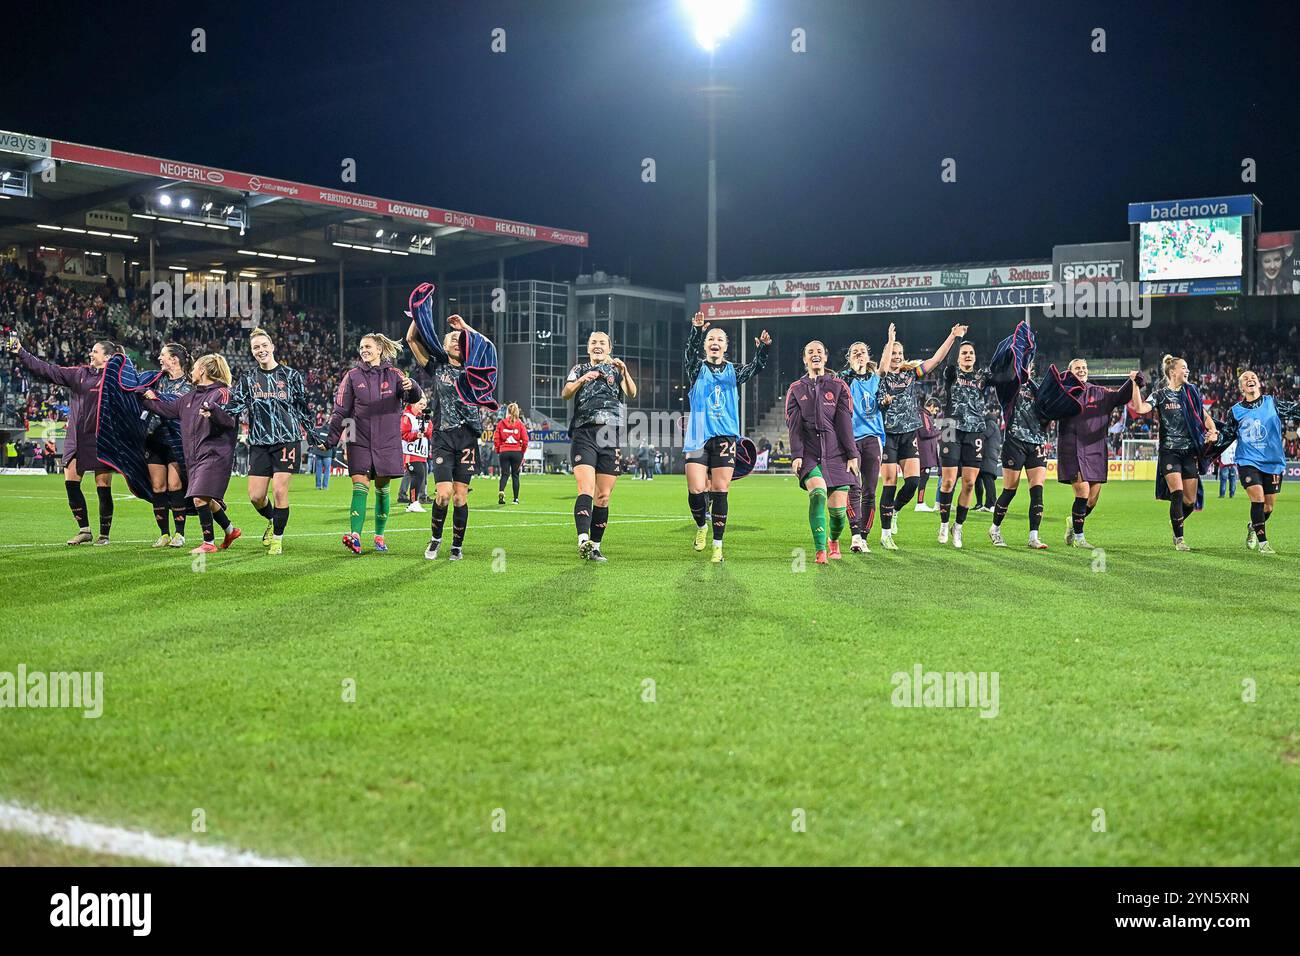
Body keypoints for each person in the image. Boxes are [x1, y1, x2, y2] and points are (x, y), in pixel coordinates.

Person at [8, 336, 116, 545]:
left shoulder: (115, 379)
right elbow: (47, 370)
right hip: (76, 437)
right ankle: (84, 530)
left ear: (108, 357)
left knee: (103, 485)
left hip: (101, 438)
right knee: (71, 483)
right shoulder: (79, 374)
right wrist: (21, 351)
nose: (91, 354)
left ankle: (104, 534)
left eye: (95, 351)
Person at [682, 311, 771, 562]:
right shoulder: (696, 368)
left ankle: (718, 546)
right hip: (698, 436)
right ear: (706, 344)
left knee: (720, 489)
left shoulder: (734, 371)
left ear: (725, 346)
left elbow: (757, 367)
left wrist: (763, 350)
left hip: (725, 437)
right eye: (711, 338)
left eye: (720, 339)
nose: (715, 342)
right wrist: (696, 331)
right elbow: (689, 353)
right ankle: (701, 527)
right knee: (697, 489)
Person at [326, 333, 421, 555]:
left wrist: (413, 385)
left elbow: (414, 397)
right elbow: (341, 411)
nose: (363, 350)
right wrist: (331, 439)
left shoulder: (395, 374)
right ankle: (356, 537)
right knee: (360, 486)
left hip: (387, 440)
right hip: (358, 439)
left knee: (381, 489)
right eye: (361, 347)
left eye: (368, 346)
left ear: (379, 349)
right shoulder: (352, 376)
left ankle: (379, 536)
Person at [223, 328, 316, 555]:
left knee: (279, 490)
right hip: (259, 442)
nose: (261, 350)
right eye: (256, 347)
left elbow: (302, 408)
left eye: (264, 345)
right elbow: (236, 406)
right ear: (252, 352)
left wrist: (312, 433)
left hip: (287, 439)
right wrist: (215, 411)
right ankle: (274, 519)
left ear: (272, 347)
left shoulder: (291, 376)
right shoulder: (248, 379)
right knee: (255, 496)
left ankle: (277, 538)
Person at [140, 354, 242, 555]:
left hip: (214, 454)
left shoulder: (222, 393)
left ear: (203, 370)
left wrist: (214, 411)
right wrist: (144, 397)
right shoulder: (189, 397)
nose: (192, 371)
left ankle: (208, 542)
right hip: (194, 457)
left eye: (195, 368)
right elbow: (166, 410)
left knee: (198, 499)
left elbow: (229, 420)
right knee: (206, 499)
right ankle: (230, 530)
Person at [877, 322, 965, 550]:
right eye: (893, 353)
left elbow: (936, 360)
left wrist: (952, 336)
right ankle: (885, 534)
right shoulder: (881, 376)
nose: (896, 356)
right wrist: (889, 342)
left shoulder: (910, 374)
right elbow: (884, 367)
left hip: (908, 433)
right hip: (888, 435)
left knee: (914, 482)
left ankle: (894, 510)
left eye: (899, 353)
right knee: (889, 482)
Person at [562, 330, 637, 561]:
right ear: (588, 348)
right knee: (585, 487)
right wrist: (580, 381)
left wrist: (625, 372)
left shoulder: (616, 369)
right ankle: (582, 538)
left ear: (609, 348)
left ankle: (595, 546)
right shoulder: (579, 369)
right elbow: (565, 393)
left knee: (603, 496)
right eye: (593, 342)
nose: (597, 345)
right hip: (584, 432)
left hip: (610, 435)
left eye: (602, 343)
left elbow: (632, 393)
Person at [1130, 355, 1218, 551]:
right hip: (1169, 451)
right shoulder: (1160, 394)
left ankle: (1176, 521)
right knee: (1177, 493)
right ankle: (1180, 539)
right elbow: (1140, 407)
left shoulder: (1191, 393)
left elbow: (1204, 416)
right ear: (1172, 372)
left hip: (1189, 452)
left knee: (1190, 501)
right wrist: (1135, 386)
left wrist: (1212, 430)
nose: (1187, 371)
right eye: (1184, 367)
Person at [1206, 369, 1299, 555]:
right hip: (1247, 461)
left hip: (1273, 462)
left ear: (1258, 383)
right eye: (1246, 379)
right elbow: (1227, 436)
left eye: (1253, 377)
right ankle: (1264, 543)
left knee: (1268, 506)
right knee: (1257, 498)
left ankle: (1253, 527)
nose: (1250, 380)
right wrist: (1215, 438)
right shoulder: (1235, 411)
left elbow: (1295, 410)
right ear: (1242, 387)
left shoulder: (1271, 402)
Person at [785, 340, 860, 564]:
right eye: (810, 352)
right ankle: (820, 552)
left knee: (838, 514)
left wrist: (852, 454)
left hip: (836, 453)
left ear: (825, 358)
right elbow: (794, 426)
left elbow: (845, 424)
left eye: (819, 351)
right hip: (810, 454)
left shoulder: (838, 387)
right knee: (817, 493)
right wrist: (797, 454)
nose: (815, 354)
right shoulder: (796, 389)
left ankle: (833, 540)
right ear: (805, 359)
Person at [1055, 359, 1138, 548]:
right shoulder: (1064, 393)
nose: (1082, 370)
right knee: (1082, 493)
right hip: (1072, 447)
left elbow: (1119, 397)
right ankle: (1079, 537)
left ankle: (1073, 522)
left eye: (1084, 368)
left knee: (1092, 500)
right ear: (1070, 372)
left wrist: (1132, 382)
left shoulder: (1099, 392)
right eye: (1078, 368)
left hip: (1095, 448)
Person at [936, 339, 995, 546]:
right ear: (959, 357)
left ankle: (958, 527)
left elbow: (1006, 376)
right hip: (950, 427)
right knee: (949, 481)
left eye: (971, 352)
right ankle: (944, 523)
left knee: (969, 483)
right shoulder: (951, 375)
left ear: (975, 356)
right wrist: (957, 338)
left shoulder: (983, 377)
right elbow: (949, 363)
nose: (968, 355)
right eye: (964, 353)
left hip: (975, 431)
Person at [989, 368, 1050, 549]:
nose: (1026, 368)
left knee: (1037, 491)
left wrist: (1031, 381)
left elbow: (1049, 406)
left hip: (1037, 442)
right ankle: (995, 529)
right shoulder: (1011, 384)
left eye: (1028, 364)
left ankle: (1034, 537)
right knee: (1010, 490)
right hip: (1015, 441)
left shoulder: (1041, 386)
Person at [143, 343, 193, 549]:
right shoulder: (157, 380)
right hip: (155, 439)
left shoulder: (189, 385)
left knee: (175, 485)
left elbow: (177, 407)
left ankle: (180, 534)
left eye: (163, 355)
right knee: (158, 487)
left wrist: (156, 398)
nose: (160, 358)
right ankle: (164, 533)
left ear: (175, 359)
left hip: (176, 441)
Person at [841, 340, 883, 554]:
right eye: (855, 352)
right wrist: (852, 373)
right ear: (849, 359)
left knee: (869, 491)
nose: (859, 355)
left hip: (873, 439)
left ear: (868, 357)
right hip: (850, 439)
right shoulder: (843, 380)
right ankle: (855, 534)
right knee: (853, 487)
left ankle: (864, 536)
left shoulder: (877, 380)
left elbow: (885, 400)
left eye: (863, 352)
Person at [400, 397, 432, 513]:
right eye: (420, 404)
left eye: (424, 404)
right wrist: (415, 435)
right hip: (410, 453)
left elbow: (430, 433)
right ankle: (413, 502)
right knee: (417, 474)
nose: (423, 407)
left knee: (421, 476)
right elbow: (403, 433)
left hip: (421, 453)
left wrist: (426, 430)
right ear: (413, 404)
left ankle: (413, 502)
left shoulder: (425, 418)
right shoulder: (407, 417)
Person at [494, 403, 529, 504]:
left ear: (507, 412)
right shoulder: (520, 424)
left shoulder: (501, 423)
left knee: (504, 474)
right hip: (516, 451)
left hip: (504, 451)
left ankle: (501, 491)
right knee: (515, 475)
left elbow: (496, 439)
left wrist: (498, 450)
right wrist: (522, 451)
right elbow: (525, 440)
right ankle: (516, 499)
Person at [916, 398, 940, 513]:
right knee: (924, 477)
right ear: (931, 405)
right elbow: (925, 432)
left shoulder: (925, 415)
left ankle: (920, 502)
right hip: (924, 452)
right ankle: (920, 503)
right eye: (935, 409)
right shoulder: (923, 415)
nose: (935, 412)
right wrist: (938, 431)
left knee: (924, 477)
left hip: (926, 452)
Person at [976, 404, 1002, 512]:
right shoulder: (995, 425)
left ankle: (992, 504)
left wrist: (976, 437)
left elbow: (984, 435)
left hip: (988, 456)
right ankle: (987, 504)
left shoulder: (990, 424)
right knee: (987, 480)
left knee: (988, 480)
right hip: (990, 456)